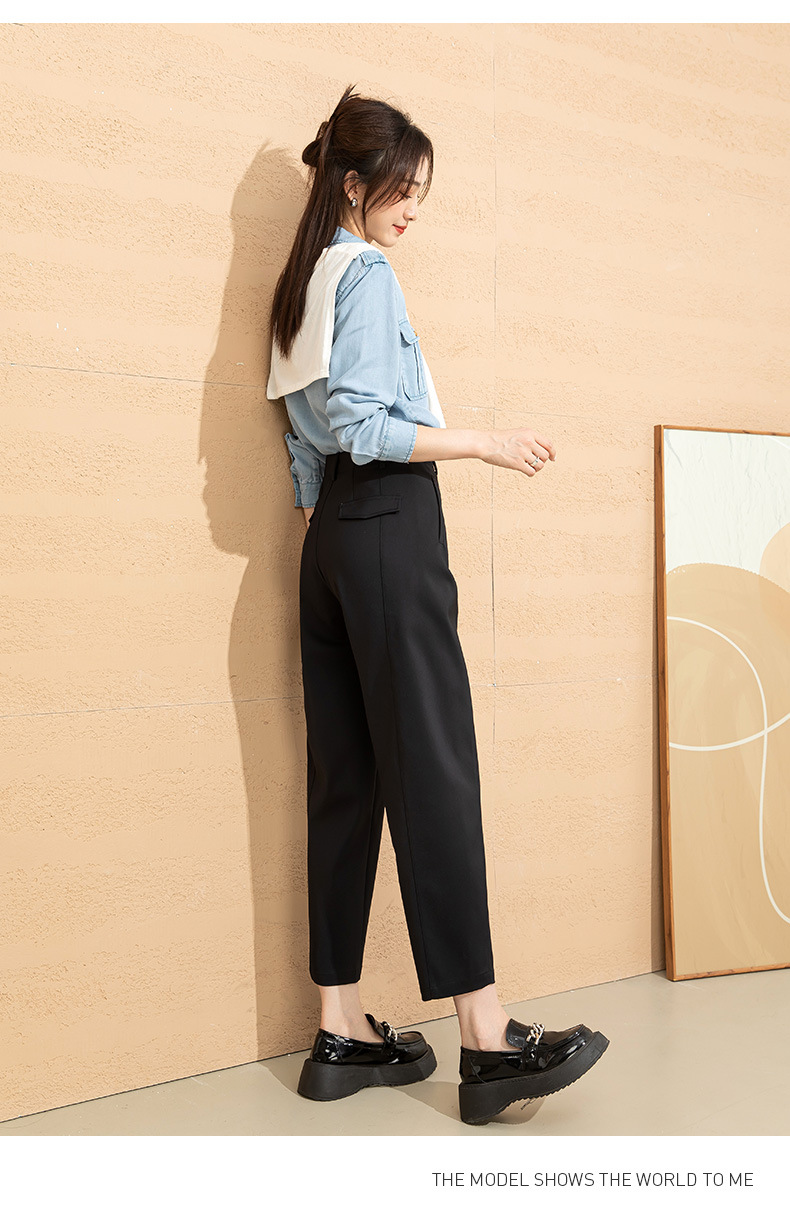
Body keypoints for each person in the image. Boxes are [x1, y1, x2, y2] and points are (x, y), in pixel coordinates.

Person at [267, 84, 609, 1126]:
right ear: (354, 185)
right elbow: (367, 423)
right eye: (402, 190)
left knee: (347, 780)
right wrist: (485, 443)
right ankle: (487, 1038)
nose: (413, 209)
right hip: (388, 528)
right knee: (435, 773)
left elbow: (304, 443)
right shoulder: (365, 274)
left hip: (328, 542)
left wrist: (336, 534)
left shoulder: (302, 281)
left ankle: (340, 1028)